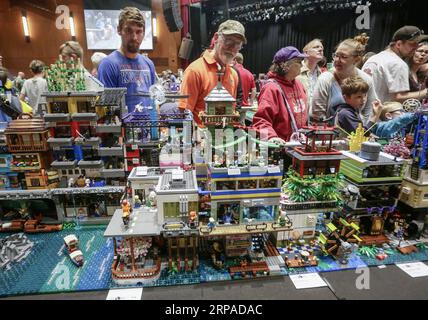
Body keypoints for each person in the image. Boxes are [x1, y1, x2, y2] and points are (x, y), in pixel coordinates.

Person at [178, 20, 246, 126]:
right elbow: (184, 115)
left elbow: (229, 113)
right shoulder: (195, 71)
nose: (232, 49)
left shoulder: (233, 74)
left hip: (224, 138)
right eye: (229, 42)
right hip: (201, 139)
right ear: (216, 38)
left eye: (237, 45)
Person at [98, 7, 156, 113]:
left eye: (139, 32)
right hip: (123, 128)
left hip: (147, 127)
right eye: (129, 31)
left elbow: (153, 101)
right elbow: (107, 110)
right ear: (119, 30)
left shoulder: (149, 64)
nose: (134, 37)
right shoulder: (108, 65)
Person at [312, 34, 378, 125]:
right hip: (330, 136)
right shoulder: (325, 79)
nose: (337, 60)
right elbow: (317, 115)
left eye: (343, 57)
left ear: (356, 59)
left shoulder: (366, 79)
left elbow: (369, 110)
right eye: (336, 55)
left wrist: (360, 133)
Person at [252, 46, 308, 144]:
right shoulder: (271, 88)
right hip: (282, 148)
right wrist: (271, 137)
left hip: (298, 145)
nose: (302, 65)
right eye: (298, 62)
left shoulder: (298, 84)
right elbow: (261, 120)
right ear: (285, 65)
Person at [363, 25, 428, 103]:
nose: (416, 47)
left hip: (363, 111)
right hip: (380, 113)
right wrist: (425, 92)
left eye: (417, 44)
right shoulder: (398, 64)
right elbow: (398, 98)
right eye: (412, 44)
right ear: (398, 44)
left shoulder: (375, 58)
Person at [297, 39, 325, 112]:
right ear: (306, 52)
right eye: (316, 47)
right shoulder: (296, 70)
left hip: (316, 117)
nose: (320, 49)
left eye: (322, 48)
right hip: (299, 115)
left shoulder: (322, 74)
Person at [232, 53, 256, 124]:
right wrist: (251, 102)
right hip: (244, 107)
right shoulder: (249, 73)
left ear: (235, 60)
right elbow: (254, 90)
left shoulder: (232, 72)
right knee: (241, 124)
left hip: (233, 106)